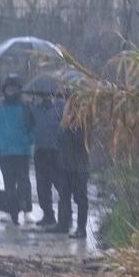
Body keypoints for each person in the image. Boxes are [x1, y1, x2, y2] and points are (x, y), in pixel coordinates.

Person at [0, 74, 35, 224]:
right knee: (9, 182)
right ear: (4, 89)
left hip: (22, 151)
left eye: (14, 88)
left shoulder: (26, 107)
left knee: (24, 182)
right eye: (9, 88)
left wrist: (28, 140)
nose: (11, 90)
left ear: (19, 89)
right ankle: (9, 210)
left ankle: (27, 210)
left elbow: (33, 127)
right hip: (4, 151)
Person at [46, 94, 89, 240]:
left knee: (80, 198)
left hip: (79, 166)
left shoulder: (84, 122)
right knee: (63, 196)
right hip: (65, 165)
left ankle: (81, 229)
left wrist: (73, 127)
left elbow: (82, 142)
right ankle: (63, 224)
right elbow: (59, 139)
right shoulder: (65, 121)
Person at [30, 90, 65, 228]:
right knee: (42, 186)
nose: (47, 96)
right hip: (40, 151)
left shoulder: (62, 107)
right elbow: (30, 125)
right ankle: (48, 215)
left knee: (61, 186)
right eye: (44, 94)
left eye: (50, 94)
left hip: (56, 152)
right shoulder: (36, 109)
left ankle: (65, 218)